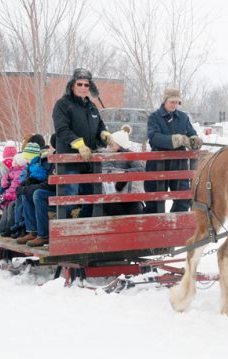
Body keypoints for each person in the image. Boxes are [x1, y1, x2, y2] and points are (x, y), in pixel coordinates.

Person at [52, 68, 114, 218]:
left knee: (91, 195)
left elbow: (99, 125)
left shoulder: (92, 106)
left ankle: (83, 225)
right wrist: (79, 144)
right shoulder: (62, 104)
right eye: (79, 84)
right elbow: (62, 130)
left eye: (86, 85)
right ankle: (62, 227)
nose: (83, 88)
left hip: (89, 160)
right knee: (70, 195)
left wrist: (104, 134)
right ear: (72, 85)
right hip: (70, 160)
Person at [144, 87, 202, 213]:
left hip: (179, 164)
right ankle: (155, 228)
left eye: (177, 102)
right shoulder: (154, 117)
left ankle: (173, 226)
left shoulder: (183, 117)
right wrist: (177, 140)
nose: (174, 105)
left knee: (183, 199)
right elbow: (154, 137)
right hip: (158, 164)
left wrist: (194, 139)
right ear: (165, 100)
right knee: (154, 201)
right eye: (172, 102)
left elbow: (191, 132)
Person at [17, 135, 57, 247]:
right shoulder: (47, 158)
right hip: (52, 188)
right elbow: (44, 179)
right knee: (26, 194)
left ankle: (43, 235)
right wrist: (28, 183)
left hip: (59, 191)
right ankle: (32, 231)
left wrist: (28, 188)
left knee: (37, 194)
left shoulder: (53, 159)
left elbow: (49, 184)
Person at [101, 127, 145, 216]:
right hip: (109, 195)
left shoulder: (130, 155)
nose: (109, 145)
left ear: (120, 144)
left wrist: (125, 176)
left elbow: (140, 169)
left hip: (128, 193)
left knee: (136, 210)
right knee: (113, 209)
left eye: (112, 143)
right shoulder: (104, 155)